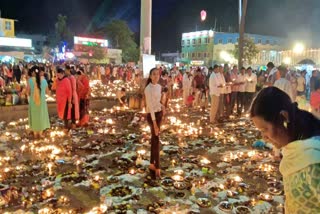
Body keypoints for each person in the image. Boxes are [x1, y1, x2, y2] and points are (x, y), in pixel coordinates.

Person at [250, 87, 320, 213]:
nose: (264, 138)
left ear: (284, 117)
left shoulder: (313, 162)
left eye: (265, 129)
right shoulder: (296, 148)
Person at [144, 68, 165, 179]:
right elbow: (150, 107)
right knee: (156, 140)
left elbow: (157, 102)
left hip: (159, 114)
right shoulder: (148, 89)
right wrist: (155, 124)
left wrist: (162, 106)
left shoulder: (159, 87)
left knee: (154, 140)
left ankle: (152, 163)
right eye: (154, 74)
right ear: (150, 76)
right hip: (152, 116)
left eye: (157, 74)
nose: (156, 76)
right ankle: (157, 167)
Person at [26, 66, 50, 138]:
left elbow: (28, 92)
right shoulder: (44, 81)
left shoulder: (30, 81)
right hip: (42, 102)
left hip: (33, 102)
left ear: (33, 72)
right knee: (41, 116)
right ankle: (40, 133)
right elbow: (47, 92)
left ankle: (35, 133)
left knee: (34, 116)